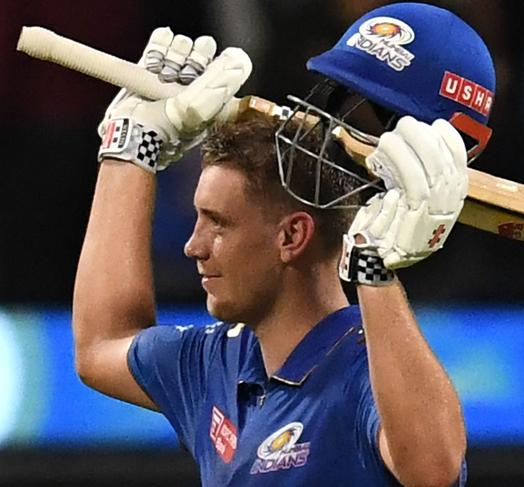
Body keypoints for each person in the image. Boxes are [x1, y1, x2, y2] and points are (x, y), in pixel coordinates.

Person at [72, 3, 495, 486]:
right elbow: (100, 346)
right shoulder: (217, 364)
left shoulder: (365, 363)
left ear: (293, 236)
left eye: (217, 223)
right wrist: (128, 151)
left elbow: (433, 471)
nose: (193, 246)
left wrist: (374, 271)